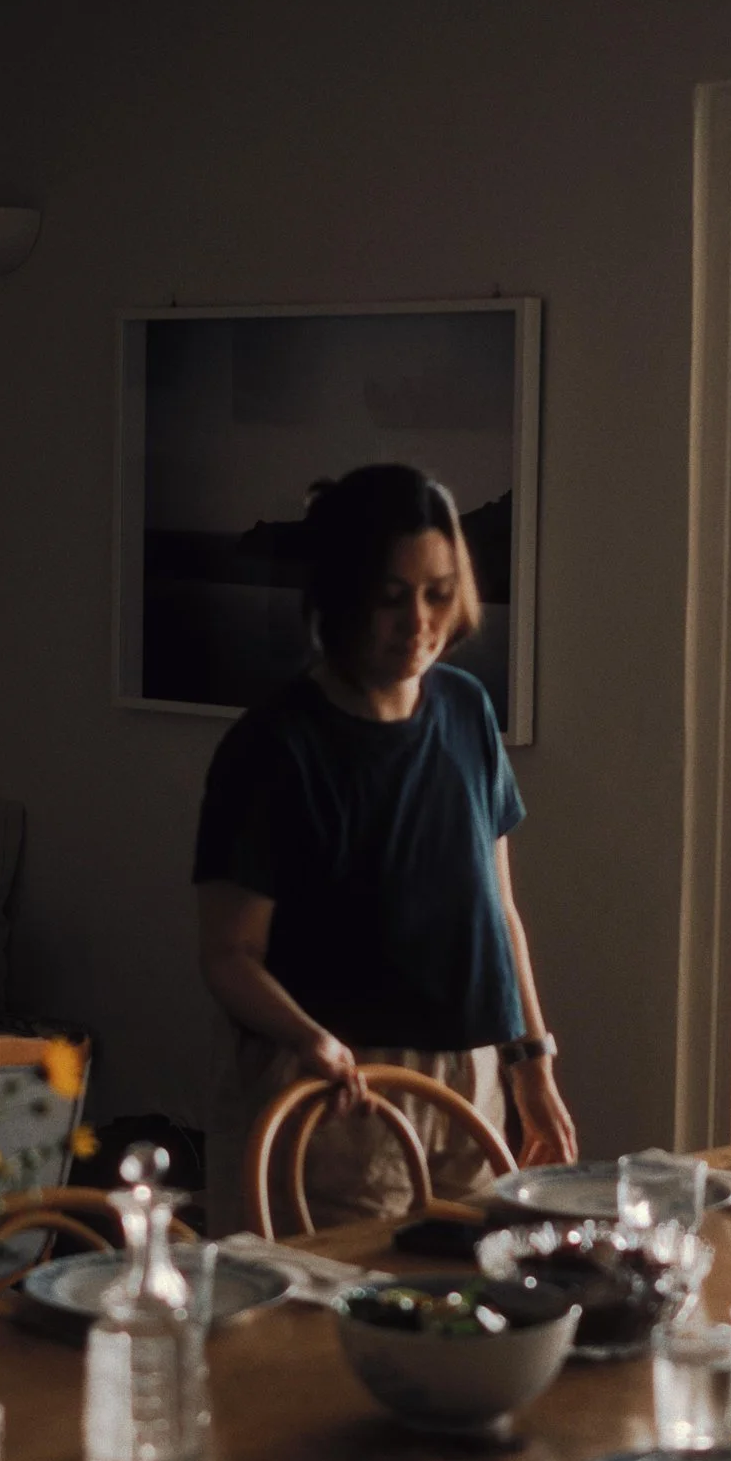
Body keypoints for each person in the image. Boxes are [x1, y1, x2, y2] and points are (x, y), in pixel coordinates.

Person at [193, 461, 578, 1230]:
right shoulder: (274, 745)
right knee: (317, 1340)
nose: (420, 624)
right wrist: (313, 1041)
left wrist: (531, 1064)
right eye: (391, 599)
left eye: (438, 593)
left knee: (463, 1322)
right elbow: (230, 955)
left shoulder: (466, 712)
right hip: (338, 1100)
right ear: (340, 599)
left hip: (468, 1084)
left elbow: (498, 910)